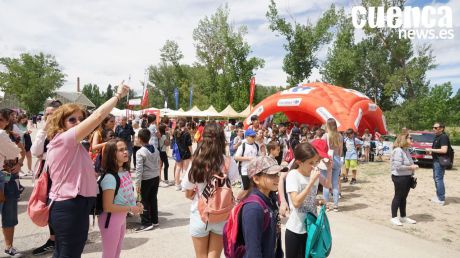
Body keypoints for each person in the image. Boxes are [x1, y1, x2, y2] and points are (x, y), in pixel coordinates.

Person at [45, 83, 129, 258]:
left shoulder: (69, 144)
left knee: (64, 253)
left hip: (73, 206)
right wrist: (118, 95)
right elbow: (98, 116)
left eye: (80, 119)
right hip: (70, 207)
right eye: (72, 119)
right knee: (70, 254)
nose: (78, 123)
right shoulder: (64, 139)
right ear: (61, 122)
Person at [181, 122, 240, 258]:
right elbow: (236, 190)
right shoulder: (229, 163)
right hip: (221, 214)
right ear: (222, 140)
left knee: (201, 256)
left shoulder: (196, 163)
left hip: (200, 214)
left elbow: (188, 193)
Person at [285, 142, 331, 258]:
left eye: (316, 161)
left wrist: (329, 169)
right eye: (311, 163)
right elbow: (296, 203)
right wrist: (310, 182)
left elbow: (327, 184)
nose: (314, 165)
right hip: (295, 230)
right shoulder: (293, 175)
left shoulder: (314, 174)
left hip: (311, 229)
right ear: (299, 163)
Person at [99, 139, 142, 258]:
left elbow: (127, 194)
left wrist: (137, 203)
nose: (126, 152)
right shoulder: (110, 177)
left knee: (116, 252)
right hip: (110, 219)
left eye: (126, 149)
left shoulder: (125, 172)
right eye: (121, 150)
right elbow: (107, 207)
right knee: (109, 254)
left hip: (121, 218)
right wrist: (130, 208)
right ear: (112, 154)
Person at [30, 100, 62, 256]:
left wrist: (45, 154)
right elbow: (36, 151)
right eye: (46, 113)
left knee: (56, 206)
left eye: (51, 113)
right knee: (48, 205)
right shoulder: (45, 131)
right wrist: (42, 131)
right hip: (47, 173)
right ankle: (53, 239)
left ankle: (58, 240)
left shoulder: (64, 130)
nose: (48, 116)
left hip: (61, 175)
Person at [240, 156, 284, 258]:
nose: (277, 178)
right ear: (256, 179)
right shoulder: (253, 208)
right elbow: (253, 250)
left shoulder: (271, 198)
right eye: (272, 175)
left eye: (277, 174)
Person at [0, 109, 22, 257]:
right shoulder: (2, 134)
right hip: (4, 176)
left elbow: (19, 155)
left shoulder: (9, 134)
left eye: (1, 119)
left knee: (9, 212)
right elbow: (15, 152)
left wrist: (19, 162)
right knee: (9, 212)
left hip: (7, 174)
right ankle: (9, 248)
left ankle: (9, 247)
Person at [135, 128, 161, 231]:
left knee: (142, 200)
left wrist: (137, 183)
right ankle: (155, 220)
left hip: (146, 179)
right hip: (155, 177)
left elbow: (139, 170)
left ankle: (146, 222)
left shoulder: (140, 152)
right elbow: (159, 163)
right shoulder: (155, 149)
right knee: (153, 199)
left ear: (140, 139)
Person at [390, 133, 418, 226]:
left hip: (406, 177)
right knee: (398, 196)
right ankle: (394, 217)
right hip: (399, 177)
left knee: (404, 197)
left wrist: (412, 171)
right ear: (403, 139)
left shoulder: (406, 150)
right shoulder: (398, 150)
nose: (412, 139)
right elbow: (397, 166)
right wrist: (411, 167)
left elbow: (408, 163)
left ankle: (403, 216)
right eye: (410, 138)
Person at [426, 122, 453, 206]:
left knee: (438, 179)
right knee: (436, 178)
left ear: (441, 128)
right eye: (433, 127)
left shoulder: (443, 137)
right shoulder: (437, 137)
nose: (433, 129)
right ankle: (439, 196)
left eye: (435, 127)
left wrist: (432, 150)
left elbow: (444, 150)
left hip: (440, 161)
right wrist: (432, 151)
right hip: (436, 160)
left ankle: (441, 198)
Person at [321, 118, 343, 211]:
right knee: (335, 184)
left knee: (326, 184)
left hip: (328, 160)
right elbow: (341, 151)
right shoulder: (340, 136)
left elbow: (321, 149)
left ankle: (325, 205)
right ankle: (336, 205)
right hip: (337, 160)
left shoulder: (326, 136)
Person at [173, 118, 193, 191]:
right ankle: (184, 186)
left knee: (178, 168)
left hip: (178, 152)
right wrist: (192, 153)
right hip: (186, 152)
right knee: (185, 169)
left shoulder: (175, 132)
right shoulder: (186, 133)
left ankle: (177, 185)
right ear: (185, 124)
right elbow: (189, 145)